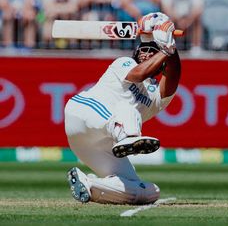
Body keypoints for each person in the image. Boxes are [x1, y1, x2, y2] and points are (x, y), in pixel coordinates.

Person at [65, 12, 181, 205]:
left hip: (92, 145)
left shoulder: (155, 98)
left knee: (145, 192)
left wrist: (171, 49)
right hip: (83, 113)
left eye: (153, 51)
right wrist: (165, 50)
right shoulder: (124, 63)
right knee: (127, 109)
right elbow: (138, 74)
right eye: (143, 49)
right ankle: (126, 136)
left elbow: (174, 76)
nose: (146, 53)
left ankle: (89, 185)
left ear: (162, 65)